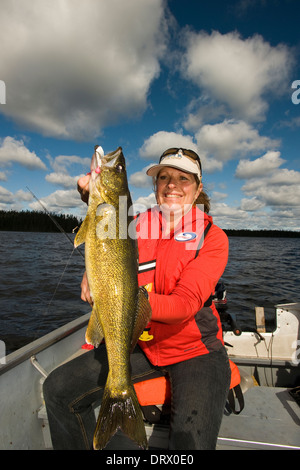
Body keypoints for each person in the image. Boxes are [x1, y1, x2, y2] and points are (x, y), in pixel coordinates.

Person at [43, 147, 231, 450]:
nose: (172, 185)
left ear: (197, 190)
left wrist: (120, 297)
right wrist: (88, 195)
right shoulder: (136, 223)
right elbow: (104, 224)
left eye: (183, 179)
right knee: (57, 390)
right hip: (139, 344)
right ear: (155, 186)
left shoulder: (213, 238)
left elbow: (184, 305)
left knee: (190, 446)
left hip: (195, 352)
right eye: (164, 177)